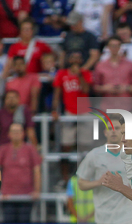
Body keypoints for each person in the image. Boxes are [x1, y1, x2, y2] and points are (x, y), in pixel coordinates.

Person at [52, 51, 92, 182]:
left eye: (78, 58)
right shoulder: (62, 74)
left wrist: (79, 74)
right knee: (66, 146)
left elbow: (86, 90)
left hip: (84, 111)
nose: (75, 60)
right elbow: (57, 93)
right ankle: (65, 178)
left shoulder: (86, 73)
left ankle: (84, 176)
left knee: (85, 147)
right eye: (73, 57)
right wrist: (54, 109)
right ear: (69, 60)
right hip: (69, 112)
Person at [0, 123, 41, 223]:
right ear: (9, 134)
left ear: (23, 133)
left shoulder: (30, 149)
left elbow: (36, 170)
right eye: (13, 132)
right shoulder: (3, 149)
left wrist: (37, 190)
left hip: (26, 195)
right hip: (7, 196)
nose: (16, 134)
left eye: (18, 132)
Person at [93, 35, 132, 111]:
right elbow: (95, 87)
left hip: (126, 105)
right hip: (107, 105)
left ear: (121, 47)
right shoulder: (100, 66)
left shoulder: (130, 65)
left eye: (117, 46)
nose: (115, 48)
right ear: (108, 47)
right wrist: (105, 88)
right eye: (112, 46)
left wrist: (126, 88)